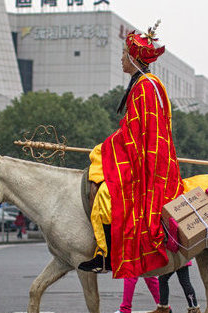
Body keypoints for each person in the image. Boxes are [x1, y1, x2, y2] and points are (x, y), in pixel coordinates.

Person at [78, 21, 184, 278]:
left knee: (103, 194)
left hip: (145, 162)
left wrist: (109, 144)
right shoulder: (145, 84)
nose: (121, 60)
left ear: (135, 58)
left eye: (124, 55)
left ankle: (106, 255)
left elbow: (137, 134)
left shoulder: (145, 86)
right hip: (145, 154)